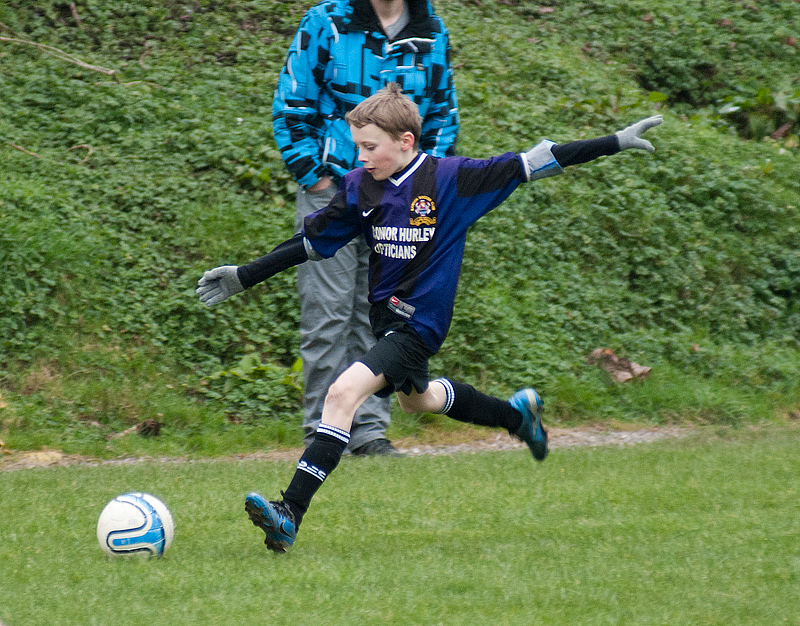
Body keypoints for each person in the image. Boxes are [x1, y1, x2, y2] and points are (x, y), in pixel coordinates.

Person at [197, 83, 663, 553]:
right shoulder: (361, 186)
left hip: (420, 324)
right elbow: (313, 242)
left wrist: (615, 141)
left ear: (405, 141)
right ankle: (517, 417)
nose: (361, 156)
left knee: (341, 395)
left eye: (370, 147)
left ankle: (289, 513)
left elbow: (535, 161)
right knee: (417, 402)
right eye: (357, 146)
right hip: (387, 320)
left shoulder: (452, 179)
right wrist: (245, 275)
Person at [272, 0, 460, 457]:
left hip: (398, 200)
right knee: (327, 314)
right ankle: (323, 434)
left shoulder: (430, 31)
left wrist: (422, 184)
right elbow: (292, 103)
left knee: (381, 314)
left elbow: (441, 118)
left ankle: (370, 431)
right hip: (334, 191)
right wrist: (315, 175)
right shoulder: (326, 23)